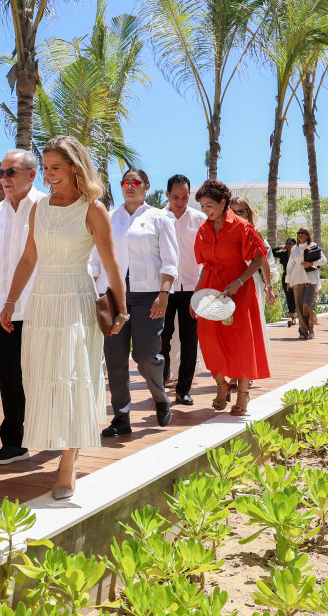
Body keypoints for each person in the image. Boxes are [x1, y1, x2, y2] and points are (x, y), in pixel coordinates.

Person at [0, 136, 126, 500]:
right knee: (44, 376)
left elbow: (111, 263)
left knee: (72, 375)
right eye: (46, 167)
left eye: (56, 167)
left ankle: (68, 462)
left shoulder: (93, 209)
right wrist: (10, 301)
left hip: (76, 298)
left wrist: (121, 308)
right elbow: (29, 258)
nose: (49, 174)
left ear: (74, 166)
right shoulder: (39, 207)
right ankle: (61, 442)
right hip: (42, 298)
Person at [92, 168, 180, 438]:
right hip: (113, 295)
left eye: (136, 182)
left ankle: (160, 398)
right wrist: (92, 291)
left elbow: (170, 260)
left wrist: (164, 293)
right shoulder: (109, 217)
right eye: (125, 182)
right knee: (115, 357)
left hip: (149, 296)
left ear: (146, 186)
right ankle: (121, 417)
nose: (130, 186)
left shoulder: (160, 218)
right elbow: (96, 258)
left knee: (146, 354)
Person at [0, 149, 44, 464]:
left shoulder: (48, 208)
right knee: (11, 377)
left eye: (11, 172)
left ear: (32, 174)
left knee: (46, 377)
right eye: (1, 172)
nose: (4, 178)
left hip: (43, 308)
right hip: (5, 313)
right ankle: (14, 442)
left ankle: (58, 435)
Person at [192, 179, 270, 417]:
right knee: (208, 337)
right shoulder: (204, 229)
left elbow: (258, 258)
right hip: (211, 287)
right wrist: (197, 291)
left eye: (209, 205)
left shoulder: (242, 226)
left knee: (240, 340)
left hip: (238, 287)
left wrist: (239, 282)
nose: (205, 210)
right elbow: (206, 265)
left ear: (223, 202)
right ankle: (221, 385)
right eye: (202, 206)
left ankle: (243, 393)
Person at [160, 174, 203, 406]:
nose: (180, 201)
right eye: (175, 197)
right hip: (164, 289)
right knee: (162, 340)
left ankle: (183, 390)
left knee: (189, 341)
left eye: (185, 197)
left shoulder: (200, 219)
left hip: (192, 289)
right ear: (167, 194)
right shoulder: (157, 218)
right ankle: (161, 386)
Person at [229, 196, 275, 365]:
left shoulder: (255, 231)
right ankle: (236, 365)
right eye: (232, 211)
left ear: (247, 212)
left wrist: (269, 286)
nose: (236, 215)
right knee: (233, 324)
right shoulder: (224, 230)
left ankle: (249, 366)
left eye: (240, 211)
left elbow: (263, 261)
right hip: (230, 280)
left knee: (250, 324)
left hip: (251, 281)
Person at [287, 227, 325, 339]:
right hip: (298, 280)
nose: (300, 235)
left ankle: (311, 327)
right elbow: (290, 265)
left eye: (303, 233)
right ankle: (303, 331)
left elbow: (324, 260)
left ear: (308, 235)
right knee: (299, 307)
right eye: (299, 233)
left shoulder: (313, 246)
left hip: (311, 280)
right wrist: (288, 281)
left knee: (307, 304)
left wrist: (311, 264)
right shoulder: (294, 249)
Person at [271, 237, 297, 328]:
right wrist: (280, 247)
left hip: (297, 277)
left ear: (294, 244)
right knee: (289, 296)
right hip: (286, 277)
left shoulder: (298, 254)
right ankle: (292, 316)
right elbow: (271, 252)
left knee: (297, 296)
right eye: (287, 243)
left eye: (290, 243)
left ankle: (300, 315)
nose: (288, 245)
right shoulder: (283, 254)